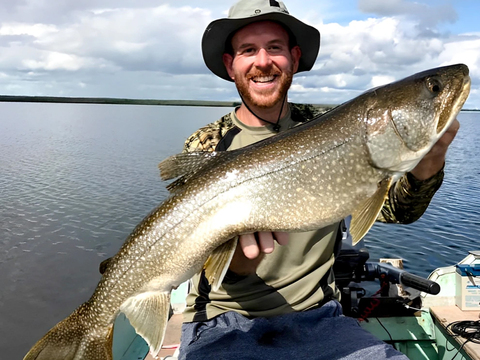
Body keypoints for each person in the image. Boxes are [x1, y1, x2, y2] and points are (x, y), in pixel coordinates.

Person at [177, 0, 460, 359]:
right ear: (230, 64)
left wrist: (428, 164)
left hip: (321, 319)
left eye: (275, 48)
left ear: (294, 57)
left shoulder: (333, 127)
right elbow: (196, 256)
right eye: (249, 50)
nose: (263, 61)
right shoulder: (207, 145)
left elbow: (395, 210)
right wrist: (236, 264)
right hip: (223, 321)